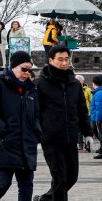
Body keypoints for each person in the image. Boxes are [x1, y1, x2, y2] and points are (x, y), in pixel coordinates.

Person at [33, 45, 92, 201]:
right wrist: (38, 133)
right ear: (51, 60)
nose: (64, 63)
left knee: (71, 177)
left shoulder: (74, 84)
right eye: (60, 59)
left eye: (66, 59)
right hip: (51, 139)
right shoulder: (40, 84)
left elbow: (81, 110)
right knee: (60, 178)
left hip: (70, 138)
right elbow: (34, 112)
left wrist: (87, 133)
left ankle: (45, 199)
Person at [0, 51, 39, 201]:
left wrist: (36, 131)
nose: (27, 73)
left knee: (26, 186)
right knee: (2, 184)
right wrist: (4, 130)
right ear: (13, 67)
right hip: (5, 144)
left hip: (26, 144)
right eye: (23, 69)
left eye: (29, 70)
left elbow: (37, 114)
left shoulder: (31, 89)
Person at [76, 74, 93, 151]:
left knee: (88, 129)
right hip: (77, 113)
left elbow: (92, 101)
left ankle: (88, 145)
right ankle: (80, 145)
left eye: (79, 80)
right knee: (79, 130)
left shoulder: (88, 90)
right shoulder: (73, 89)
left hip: (87, 113)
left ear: (82, 81)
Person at [91, 74, 102, 159]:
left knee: (100, 134)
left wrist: (98, 120)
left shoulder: (99, 93)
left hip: (98, 118)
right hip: (96, 117)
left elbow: (99, 108)